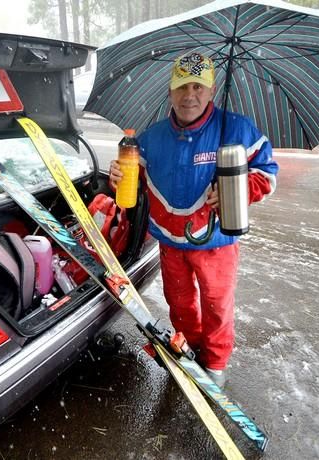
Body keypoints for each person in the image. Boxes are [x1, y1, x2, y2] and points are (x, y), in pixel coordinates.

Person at [109, 52, 278, 386]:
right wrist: (118, 176)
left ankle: (214, 364)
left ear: (212, 90)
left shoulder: (238, 130)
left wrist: (240, 188)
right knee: (180, 303)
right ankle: (190, 349)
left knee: (216, 304)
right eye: (181, 86)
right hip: (171, 243)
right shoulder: (150, 138)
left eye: (198, 86)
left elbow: (268, 175)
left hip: (216, 240)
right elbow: (136, 182)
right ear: (170, 92)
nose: (190, 95)